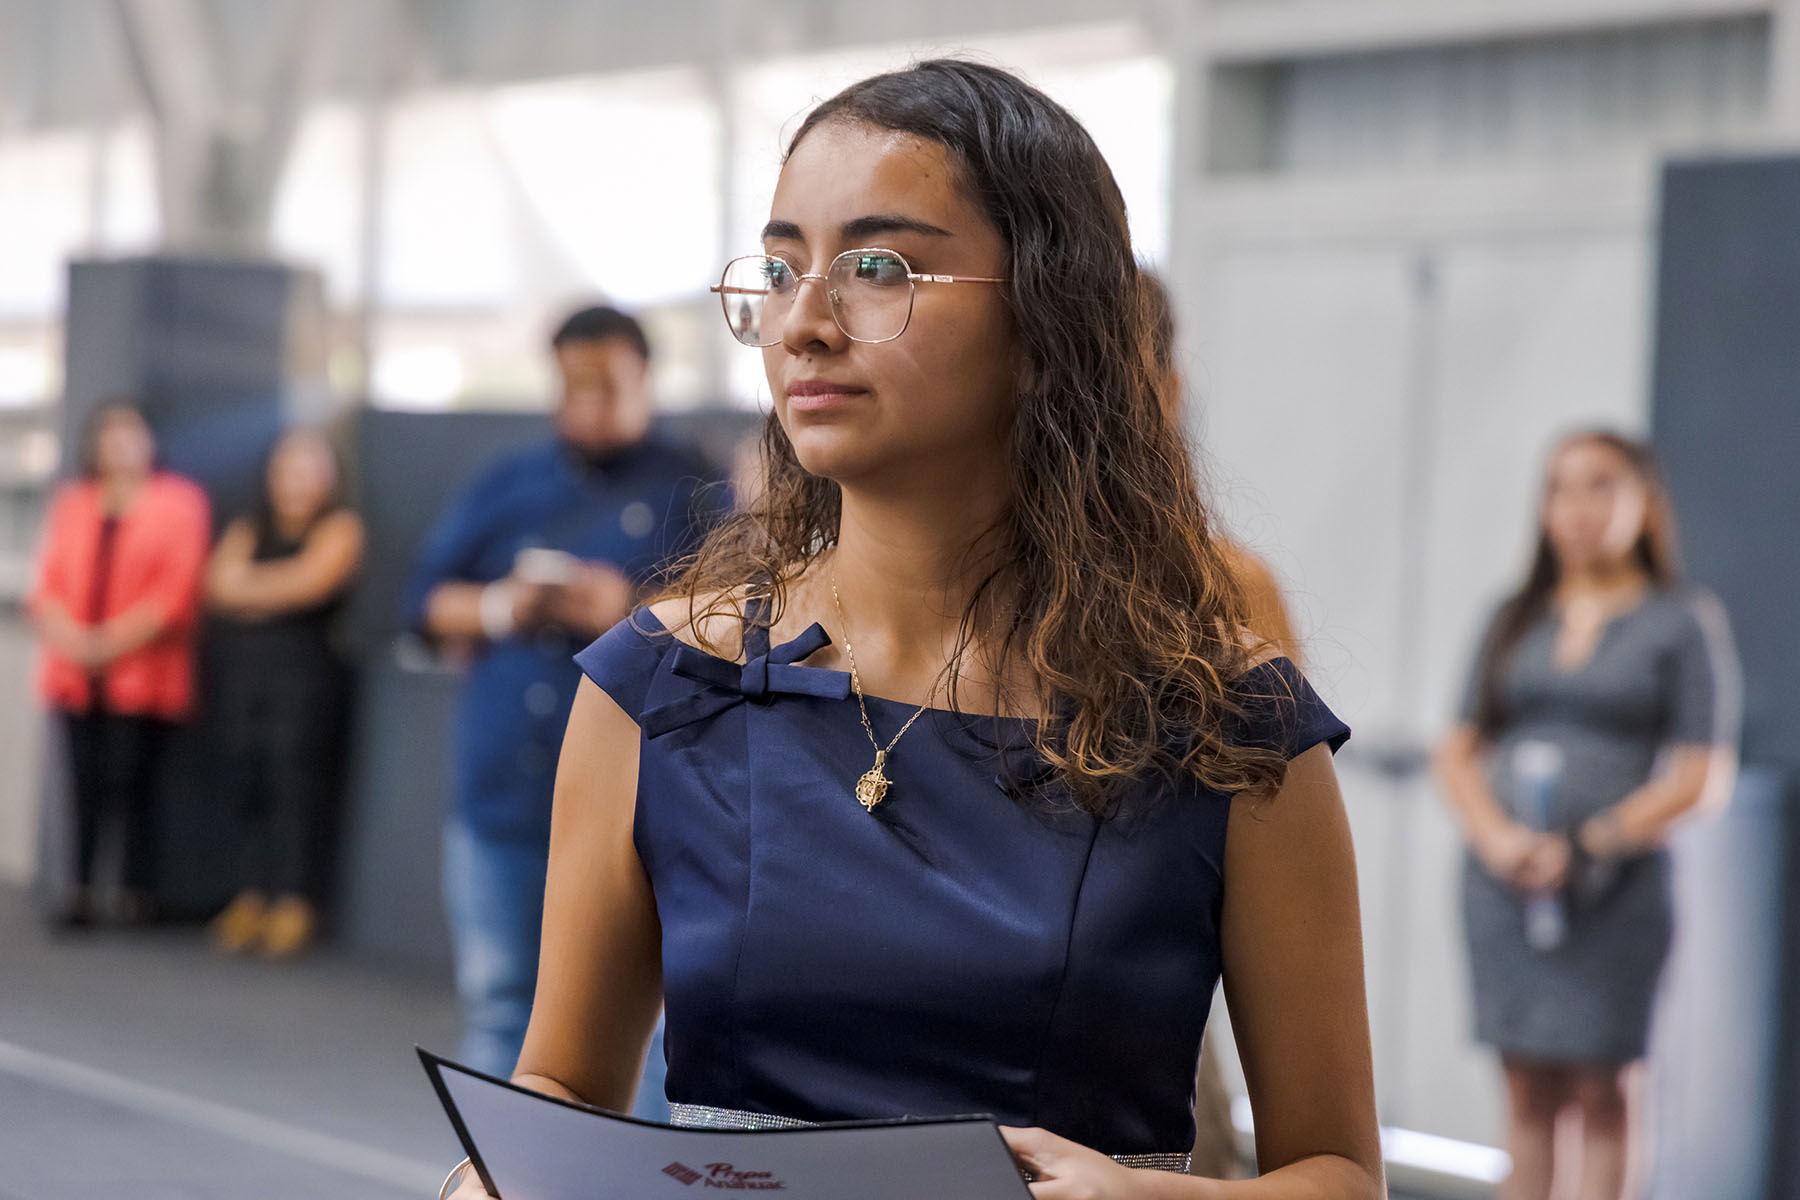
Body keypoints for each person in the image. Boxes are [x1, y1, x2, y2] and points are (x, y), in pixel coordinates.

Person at [445, 60, 1381, 1200]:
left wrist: (1150, 1199)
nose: (804, 322)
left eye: (876, 268)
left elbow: (1337, 1174)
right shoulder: (656, 685)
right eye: (782, 269)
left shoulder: (1230, 722)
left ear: (1048, 312)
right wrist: (486, 1183)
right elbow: (566, 1090)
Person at [405, 305, 716, 1101]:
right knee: (502, 1008)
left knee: (648, 1035)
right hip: (505, 802)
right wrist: (505, 607)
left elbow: (741, 620)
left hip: (644, 820)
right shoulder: (508, 482)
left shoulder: (695, 487)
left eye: (606, 385)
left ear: (643, 379)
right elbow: (422, 605)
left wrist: (629, 604)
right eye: (572, 385)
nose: (588, 403)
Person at [1434, 430, 1738, 1200]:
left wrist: (1595, 841)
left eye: (1601, 485)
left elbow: (1702, 773)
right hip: (1506, 885)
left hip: (1616, 890)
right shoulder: (1513, 615)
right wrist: (1499, 840)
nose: (1578, 508)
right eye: (1561, 488)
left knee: (1606, 1091)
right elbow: (1459, 748)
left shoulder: (1681, 621)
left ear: (1645, 502)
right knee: (1526, 1093)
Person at [27, 400, 211, 927]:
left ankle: (133, 890)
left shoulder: (178, 503)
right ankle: (80, 889)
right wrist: (74, 641)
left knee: (133, 785)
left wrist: (108, 642)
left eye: (132, 434)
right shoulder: (74, 503)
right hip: (74, 672)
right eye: (110, 435)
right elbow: (49, 585)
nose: (121, 445)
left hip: (142, 672)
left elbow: (175, 592)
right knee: (80, 784)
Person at [205, 427, 365, 958]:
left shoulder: (341, 527)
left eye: (307, 467)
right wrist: (271, 588)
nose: (294, 480)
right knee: (247, 780)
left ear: (329, 475)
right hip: (247, 679)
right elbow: (218, 585)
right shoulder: (251, 526)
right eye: (286, 467)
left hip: (308, 680)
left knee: (297, 784)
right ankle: (253, 895)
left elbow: (312, 582)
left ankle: (296, 901)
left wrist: (254, 589)